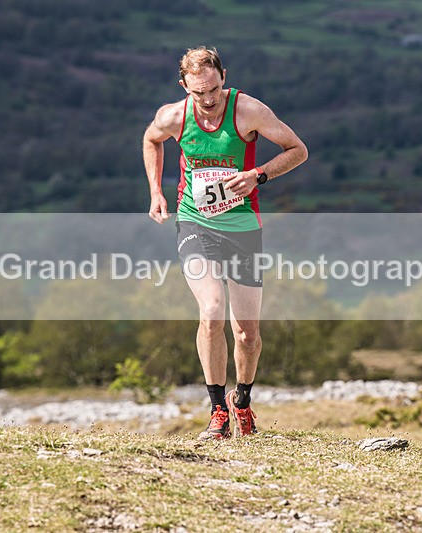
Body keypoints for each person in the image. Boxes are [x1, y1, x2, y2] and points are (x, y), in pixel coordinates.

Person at [142, 46, 308, 439]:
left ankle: (242, 403)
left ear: (224, 78)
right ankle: (217, 409)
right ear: (184, 86)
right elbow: (152, 140)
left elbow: (298, 150)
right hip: (195, 222)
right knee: (212, 310)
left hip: (243, 227)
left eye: (215, 89)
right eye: (199, 92)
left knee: (247, 333)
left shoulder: (247, 110)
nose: (210, 99)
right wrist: (155, 192)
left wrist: (258, 175)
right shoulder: (174, 116)